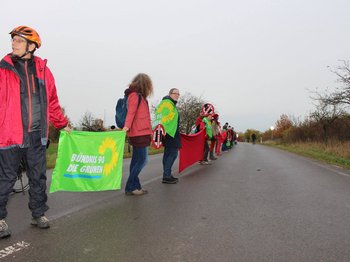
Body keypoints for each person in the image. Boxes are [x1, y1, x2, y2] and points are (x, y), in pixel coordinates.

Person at [0, 26, 70, 238]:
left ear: (31, 46)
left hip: (36, 136)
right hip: (10, 136)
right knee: (5, 179)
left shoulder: (44, 71)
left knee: (38, 177)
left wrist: (62, 123)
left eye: (19, 41)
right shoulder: (3, 70)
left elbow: (53, 102)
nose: (13, 44)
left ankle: (38, 213)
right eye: (13, 41)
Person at [123, 73, 153, 196]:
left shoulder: (141, 97)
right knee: (143, 160)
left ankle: (136, 186)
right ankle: (130, 186)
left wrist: (150, 132)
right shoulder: (134, 96)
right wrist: (127, 127)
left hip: (142, 132)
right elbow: (131, 112)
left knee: (136, 161)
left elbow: (145, 117)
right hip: (138, 133)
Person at [158, 88, 181, 184]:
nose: (177, 95)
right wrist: (165, 132)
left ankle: (166, 174)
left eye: (178, 94)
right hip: (169, 133)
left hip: (170, 132)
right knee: (173, 153)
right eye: (175, 93)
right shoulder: (167, 103)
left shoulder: (170, 103)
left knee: (168, 154)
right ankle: (166, 176)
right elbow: (163, 118)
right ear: (170, 94)